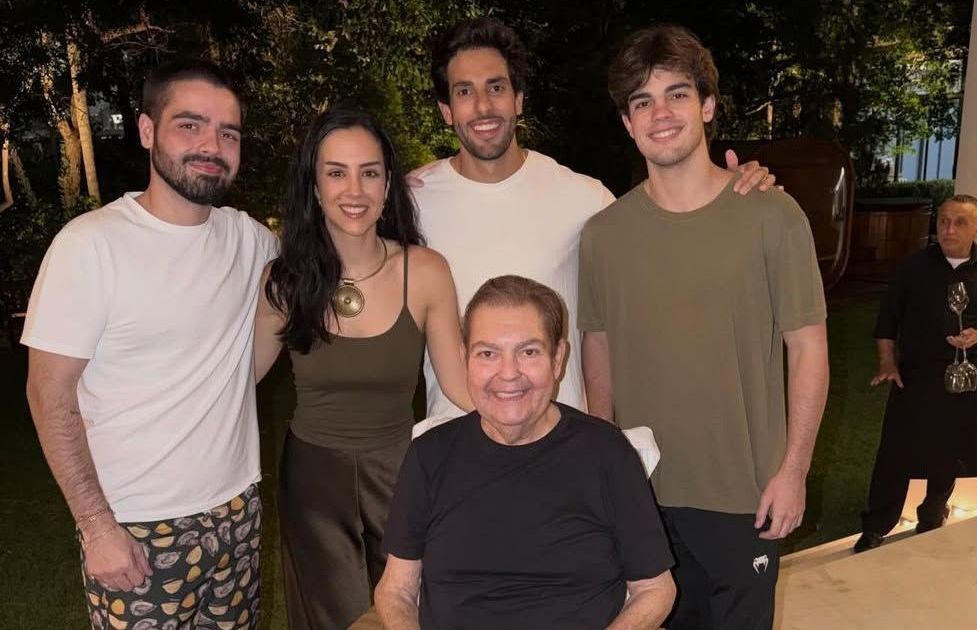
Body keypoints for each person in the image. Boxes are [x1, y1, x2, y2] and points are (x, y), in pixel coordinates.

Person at [578, 25, 830, 629]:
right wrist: (604, 472)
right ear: (627, 123)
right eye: (642, 101)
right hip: (643, 494)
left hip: (745, 495)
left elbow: (808, 350)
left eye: (677, 94)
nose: (660, 114)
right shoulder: (605, 235)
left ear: (708, 105)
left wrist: (794, 471)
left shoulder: (772, 216)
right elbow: (598, 347)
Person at [412, 16, 775, 422]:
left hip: (561, 444)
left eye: (496, 87)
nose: (483, 106)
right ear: (446, 110)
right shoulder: (413, 205)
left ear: (519, 99)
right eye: (464, 91)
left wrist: (731, 191)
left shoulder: (585, 200)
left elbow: (672, 256)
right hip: (456, 442)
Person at [22, 60, 278, 629]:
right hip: (136, 528)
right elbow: (48, 394)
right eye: (190, 125)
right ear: (146, 130)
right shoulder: (91, 246)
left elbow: (314, 274)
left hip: (238, 511)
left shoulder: (251, 241)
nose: (212, 146)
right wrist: (97, 527)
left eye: (228, 133)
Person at [253, 109, 471, 629]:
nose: (354, 190)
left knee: (406, 612)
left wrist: (541, 424)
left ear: (388, 184)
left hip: (399, 475)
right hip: (313, 484)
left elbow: (461, 386)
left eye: (369, 172)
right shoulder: (283, 282)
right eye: (336, 172)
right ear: (314, 186)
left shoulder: (425, 271)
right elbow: (236, 381)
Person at [375, 275, 676, 630]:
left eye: (529, 352)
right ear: (465, 359)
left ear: (558, 358)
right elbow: (396, 590)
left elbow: (655, 589)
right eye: (488, 354)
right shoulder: (430, 455)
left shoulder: (607, 453)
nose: (508, 374)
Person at [853, 194, 977, 553]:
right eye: (943, 220)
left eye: (960, 222)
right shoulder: (913, 267)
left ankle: (932, 514)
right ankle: (876, 526)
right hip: (915, 373)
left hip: (964, 373)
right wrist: (887, 363)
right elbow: (888, 320)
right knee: (895, 452)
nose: (948, 229)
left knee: (949, 449)